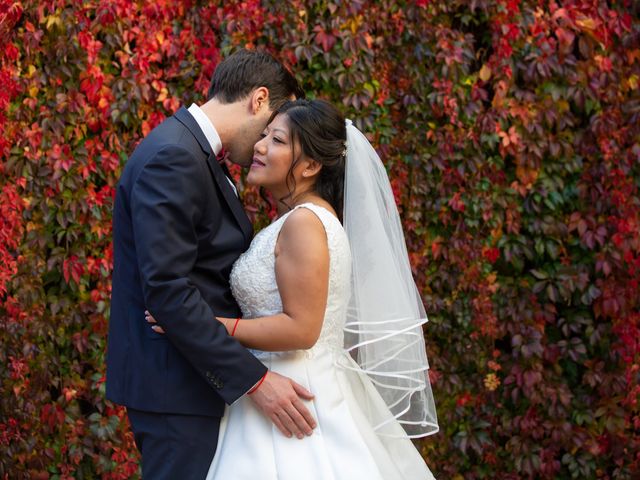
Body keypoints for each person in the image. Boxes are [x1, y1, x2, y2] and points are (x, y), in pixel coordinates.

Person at [148, 99, 439, 478]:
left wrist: (206, 325)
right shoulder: (299, 219)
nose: (260, 146)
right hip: (279, 387)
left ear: (311, 166)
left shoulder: (304, 223)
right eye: (265, 134)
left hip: (295, 394)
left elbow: (301, 329)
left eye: (278, 140)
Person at [106, 49, 317, 479]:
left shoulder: (193, 153)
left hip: (194, 384)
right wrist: (255, 381)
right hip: (176, 390)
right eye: (273, 125)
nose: (265, 142)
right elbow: (167, 290)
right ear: (258, 99)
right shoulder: (175, 157)